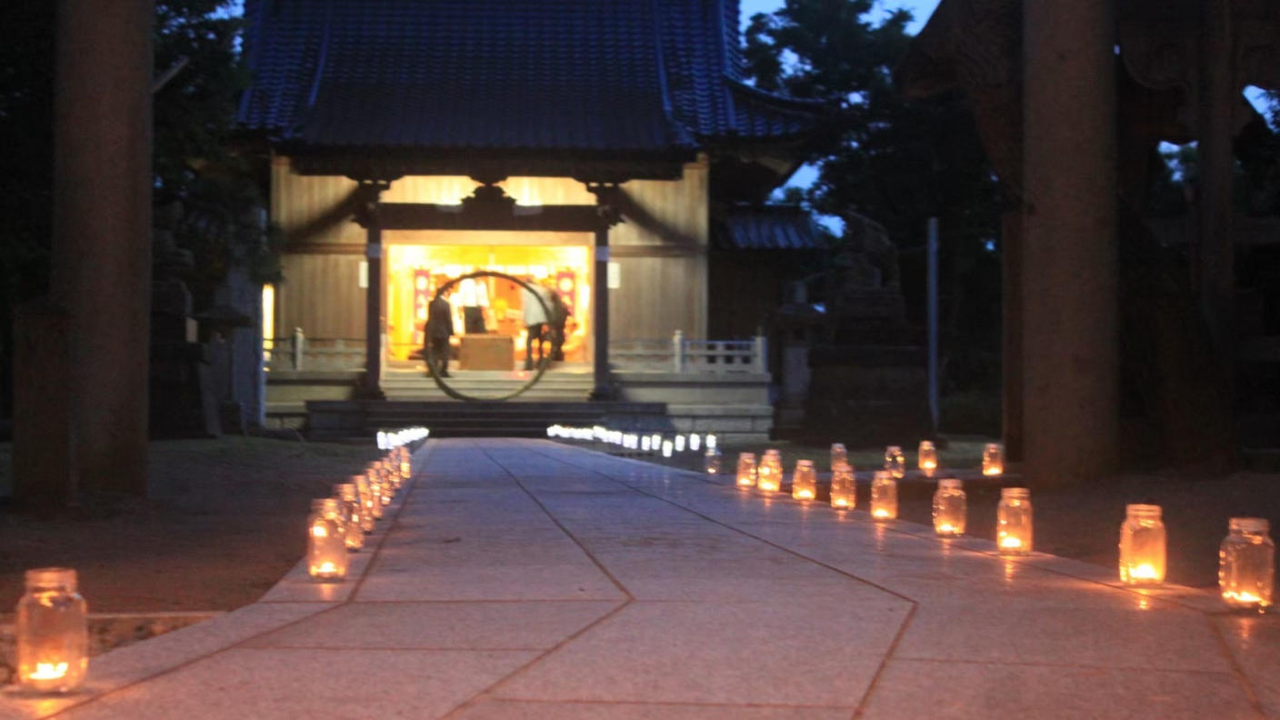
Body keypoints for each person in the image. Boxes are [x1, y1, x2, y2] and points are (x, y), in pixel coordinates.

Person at [425, 286, 454, 377]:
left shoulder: (432, 304)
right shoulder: (446, 304)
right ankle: (443, 370)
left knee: (435, 351)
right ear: (444, 292)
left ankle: (433, 370)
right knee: (445, 351)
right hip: (444, 331)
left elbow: (430, 318)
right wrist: (451, 331)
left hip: (433, 331)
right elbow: (448, 319)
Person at [521, 280, 551, 370]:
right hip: (541, 318)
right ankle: (541, 361)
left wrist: (524, 319)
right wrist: (547, 321)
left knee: (529, 340)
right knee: (540, 339)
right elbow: (548, 305)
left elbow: (525, 306)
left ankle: (529, 362)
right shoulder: (542, 290)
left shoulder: (525, 291)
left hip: (532, 318)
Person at [548, 289, 571, 362]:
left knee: (556, 346)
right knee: (558, 347)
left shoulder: (554, 305)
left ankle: (556, 360)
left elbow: (554, 318)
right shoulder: (561, 304)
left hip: (556, 329)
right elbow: (568, 313)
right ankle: (558, 359)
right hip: (560, 330)